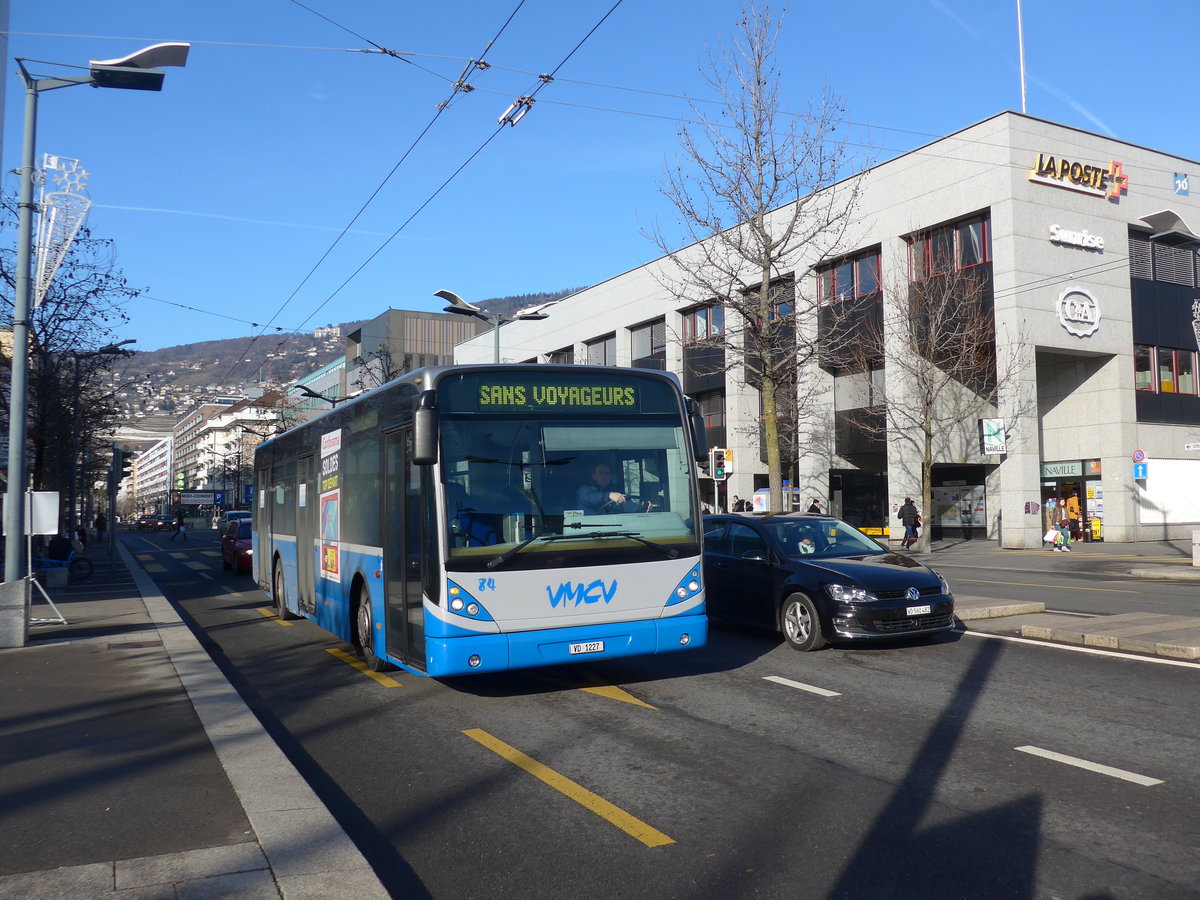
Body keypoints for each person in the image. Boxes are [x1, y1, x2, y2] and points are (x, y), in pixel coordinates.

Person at [577, 462, 649, 514]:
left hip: (613, 527)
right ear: (594, 476)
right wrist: (609, 495)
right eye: (600, 473)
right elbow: (590, 498)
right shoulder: (584, 489)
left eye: (607, 473)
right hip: (590, 529)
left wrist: (642, 508)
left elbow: (625, 505)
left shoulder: (615, 490)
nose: (604, 476)